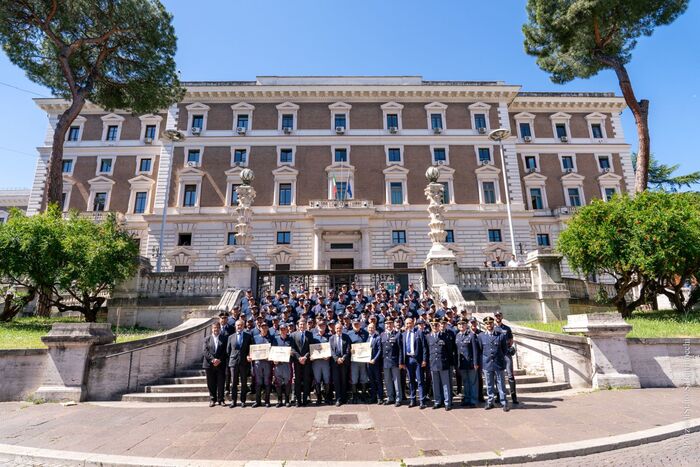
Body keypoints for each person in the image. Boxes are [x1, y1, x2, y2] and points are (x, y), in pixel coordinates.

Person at [476, 315, 510, 412]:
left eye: (490, 323)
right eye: (487, 324)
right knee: (489, 384)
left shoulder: (500, 335)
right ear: (484, 325)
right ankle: (490, 401)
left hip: (498, 363)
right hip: (487, 364)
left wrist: (499, 358)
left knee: (501, 384)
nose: (489, 325)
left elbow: (504, 350)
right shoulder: (481, 336)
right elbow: (480, 350)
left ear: (493, 324)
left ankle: (504, 402)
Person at [400, 317, 427, 409]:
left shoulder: (419, 332)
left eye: (410, 323)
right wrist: (402, 362)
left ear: (413, 323)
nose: (409, 325)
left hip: (417, 360)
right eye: (407, 323)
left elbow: (424, 347)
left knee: (420, 380)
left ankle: (422, 401)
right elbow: (402, 349)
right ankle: (412, 400)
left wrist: (424, 360)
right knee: (411, 381)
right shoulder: (403, 334)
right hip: (408, 360)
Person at [426, 319, 453, 410]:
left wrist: (450, 363)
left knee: (445, 384)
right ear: (431, 326)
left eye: (436, 325)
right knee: (435, 384)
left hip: (443, 363)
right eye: (433, 325)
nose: (434, 327)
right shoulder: (428, 337)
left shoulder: (445, 336)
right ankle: (437, 401)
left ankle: (447, 402)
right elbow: (427, 351)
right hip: (433, 363)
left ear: (439, 325)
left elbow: (449, 351)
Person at [494, 311, 519, 405]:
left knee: (510, 375)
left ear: (502, 317)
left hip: (506, 354)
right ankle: (498, 396)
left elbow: (511, 340)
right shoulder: (493, 328)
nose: (498, 317)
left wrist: (507, 346)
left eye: (499, 316)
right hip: (497, 354)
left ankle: (514, 397)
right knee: (497, 376)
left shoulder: (507, 328)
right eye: (496, 316)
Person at [227, 319, 252, 408]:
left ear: (243, 326)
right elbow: (228, 351)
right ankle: (233, 401)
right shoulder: (231, 337)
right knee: (233, 382)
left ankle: (243, 400)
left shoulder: (248, 336)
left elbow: (251, 349)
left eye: (241, 325)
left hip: (244, 363)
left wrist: (249, 355)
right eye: (237, 325)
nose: (239, 327)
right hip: (233, 362)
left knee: (244, 382)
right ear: (235, 326)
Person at [249, 322, 275, 408]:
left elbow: (274, 350)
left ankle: (267, 401)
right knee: (258, 382)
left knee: (267, 381)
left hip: (267, 362)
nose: (264, 328)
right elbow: (251, 350)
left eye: (265, 327)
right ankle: (258, 401)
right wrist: (249, 356)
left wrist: (271, 357)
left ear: (267, 328)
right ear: (259, 328)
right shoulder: (255, 338)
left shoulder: (271, 338)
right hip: (258, 363)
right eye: (262, 327)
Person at [455, 318, 479, 407]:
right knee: (465, 382)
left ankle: (473, 400)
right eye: (459, 324)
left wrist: (476, 363)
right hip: (462, 363)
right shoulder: (457, 336)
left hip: (471, 363)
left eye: (463, 324)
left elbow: (475, 350)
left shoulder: (471, 335)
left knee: (472, 382)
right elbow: (457, 351)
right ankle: (467, 399)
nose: (461, 326)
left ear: (466, 325)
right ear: (457, 326)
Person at [203, 322, 227, 407]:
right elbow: (205, 351)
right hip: (209, 364)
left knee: (221, 382)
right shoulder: (207, 339)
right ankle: (212, 399)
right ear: (212, 329)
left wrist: (219, 360)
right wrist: (213, 360)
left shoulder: (224, 338)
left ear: (220, 328)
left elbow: (225, 351)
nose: (216, 329)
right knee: (211, 383)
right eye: (214, 328)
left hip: (220, 364)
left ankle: (221, 399)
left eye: (217, 327)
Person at [291, 318, 313, 407]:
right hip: (297, 361)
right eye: (300, 324)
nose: (302, 326)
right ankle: (298, 400)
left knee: (306, 381)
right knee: (297, 381)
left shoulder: (310, 334)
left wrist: (305, 357)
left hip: (306, 361)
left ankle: (305, 400)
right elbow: (292, 348)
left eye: (303, 324)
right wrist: (299, 357)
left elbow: (311, 347)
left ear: (306, 325)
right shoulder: (293, 335)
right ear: (298, 325)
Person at [381, 318, 403, 406]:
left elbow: (401, 350)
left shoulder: (397, 335)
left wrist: (400, 362)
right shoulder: (382, 335)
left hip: (394, 362)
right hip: (385, 362)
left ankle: (398, 398)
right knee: (387, 381)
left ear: (393, 325)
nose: (388, 325)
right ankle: (390, 398)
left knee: (396, 381)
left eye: (390, 324)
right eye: (387, 324)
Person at [311, 319, 333, 405]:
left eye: (323, 325)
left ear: (326, 326)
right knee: (317, 380)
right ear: (317, 326)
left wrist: (329, 355)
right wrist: (311, 357)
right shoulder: (313, 337)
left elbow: (332, 349)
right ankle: (319, 398)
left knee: (326, 379)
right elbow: (311, 349)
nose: (321, 327)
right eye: (320, 325)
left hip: (326, 361)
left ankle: (327, 397)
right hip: (316, 362)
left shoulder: (329, 337)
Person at [347, 319, 369, 403]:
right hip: (354, 360)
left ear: (360, 324)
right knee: (354, 378)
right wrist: (350, 350)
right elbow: (347, 346)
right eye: (355, 324)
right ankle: (355, 396)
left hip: (363, 360)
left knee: (364, 378)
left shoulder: (365, 333)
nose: (356, 325)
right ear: (352, 325)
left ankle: (363, 395)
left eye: (357, 324)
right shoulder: (349, 334)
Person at [330, 322, 352, 406]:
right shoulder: (331, 338)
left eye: (340, 328)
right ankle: (338, 399)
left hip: (344, 362)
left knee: (343, 380)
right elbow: (331, 350)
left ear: (342, 329)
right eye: (337, 328)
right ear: (335, 329)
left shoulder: (346, 337)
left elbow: (348, 349)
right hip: (335, 363)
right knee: (336, 381)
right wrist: (337, 359)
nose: (339, 330)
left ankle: (344, 398)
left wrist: (343, 358)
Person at [272, 322, 293, 407]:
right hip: (278, 365)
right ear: (279, 330)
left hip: (287, 364)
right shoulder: (275, 339)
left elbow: (294, 350)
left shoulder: (290, 339)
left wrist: (292, 353)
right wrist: (273, 359)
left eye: (284, 329)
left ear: (287, 330)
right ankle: (279, 400)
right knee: (278, 382)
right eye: (281, 329)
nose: (283, 331)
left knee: (288, 382)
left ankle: (287, 400)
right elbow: (272, 350)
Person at [366, 322, 383, 404]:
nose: (370, 329)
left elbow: (380, 350)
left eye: (372, 327)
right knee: (372, 381)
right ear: (367, 329)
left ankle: (380, 398)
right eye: (369, 328)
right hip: (368, 363)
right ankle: (373, 398)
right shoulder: (367, 338)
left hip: (376, 363)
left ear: (375, 328)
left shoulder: (378, 338)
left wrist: (374, 359)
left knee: (378, 381)